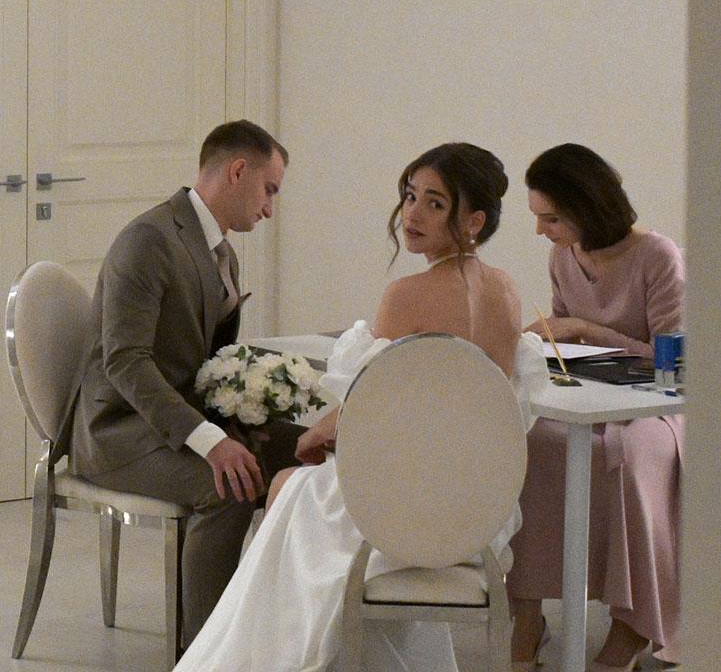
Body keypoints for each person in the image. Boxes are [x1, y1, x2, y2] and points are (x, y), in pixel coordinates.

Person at [175, 142, 549, 672]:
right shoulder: (505, 291)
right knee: (297, 487)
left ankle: (287, 655)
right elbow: (461, 412)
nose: (413, 214)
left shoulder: (407, 295)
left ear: (474, 221)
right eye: (411, 196)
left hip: (399, 513)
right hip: (477, 512)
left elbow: (373, 409)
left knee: (286, 487)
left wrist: (323, 430)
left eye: (436, 203)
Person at [70, 119, 299, 647]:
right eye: (269, 190)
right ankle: (205, 651)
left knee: (310, 452)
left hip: (176, 418)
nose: (269, 208)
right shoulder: (149, 240)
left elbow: (208, 362)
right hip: (119, 431)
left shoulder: (222, 252)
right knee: (229, 487)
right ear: (238, 171)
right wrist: (211, 440)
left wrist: (238, 419)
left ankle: (287, 631)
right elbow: (126, 362)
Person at [508, 144, 684, 671]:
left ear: (587, 206)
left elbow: (674, 359)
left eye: (551, 218)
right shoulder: (564, 255)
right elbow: (566, 344)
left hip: (658, 406)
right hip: (588, 398)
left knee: (629, 455)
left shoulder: (658, 256)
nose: (541, 230)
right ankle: (527, 616)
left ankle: (632, 628)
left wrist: (588, 330)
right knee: (531, 444)